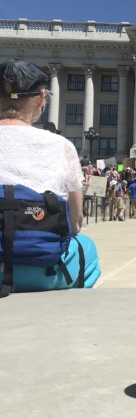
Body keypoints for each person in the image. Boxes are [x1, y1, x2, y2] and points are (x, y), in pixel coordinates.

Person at [0, 58, 100, 290]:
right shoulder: (61, 146)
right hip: (42, 271)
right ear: (41, 98)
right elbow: (75, 221)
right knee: (87, 247)